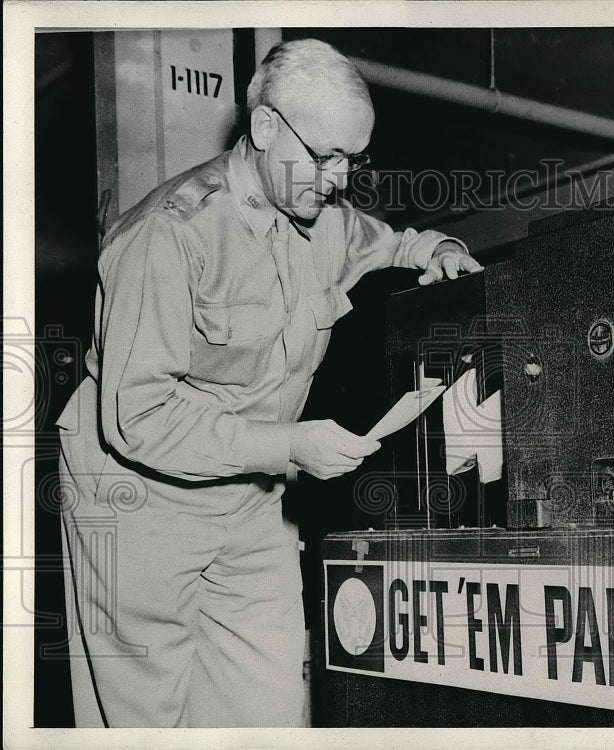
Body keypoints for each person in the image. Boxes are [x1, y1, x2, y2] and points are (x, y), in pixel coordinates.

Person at [55, 38, 482, 728]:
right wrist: (290, 443)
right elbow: (137, 418)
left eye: (353, 158)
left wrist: (443, 250)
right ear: (263, 128)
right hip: (136, 497)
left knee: (271, 706)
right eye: (325, 156)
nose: (341, 179)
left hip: (251, 501)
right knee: (145, 715)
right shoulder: (168, 237)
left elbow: (394, 241)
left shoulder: (326, 223)